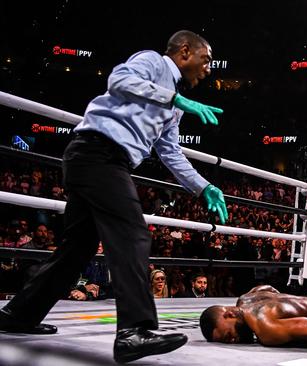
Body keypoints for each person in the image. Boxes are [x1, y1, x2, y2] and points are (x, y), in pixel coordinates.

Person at [0, 30, 228, 363]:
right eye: (205, 60)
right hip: (97, 153)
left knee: (77, 248)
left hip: (101, 160)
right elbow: (119, 79)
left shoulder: (174, 102)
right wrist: (172, 98)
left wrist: (203, 186)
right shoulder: (153, 61)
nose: (208, 70)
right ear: (184, 51)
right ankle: (134, 330)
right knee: (132, 234)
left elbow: (169, 151)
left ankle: (19, 314)